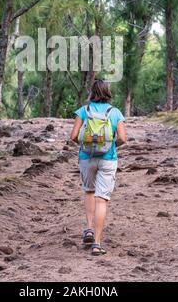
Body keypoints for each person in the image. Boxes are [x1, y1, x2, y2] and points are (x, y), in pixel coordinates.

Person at [70, 79, 126, 256]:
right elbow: (123, 138)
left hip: (86, 157)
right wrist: (110, 146)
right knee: (101, 199)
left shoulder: (83, 111)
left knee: (89, 192)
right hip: (108, 159)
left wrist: (87, 146)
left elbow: (73, 136)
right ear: (108, 92)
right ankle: (97, 244)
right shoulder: (115, 112)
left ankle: (88, 229)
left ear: (92, 92)